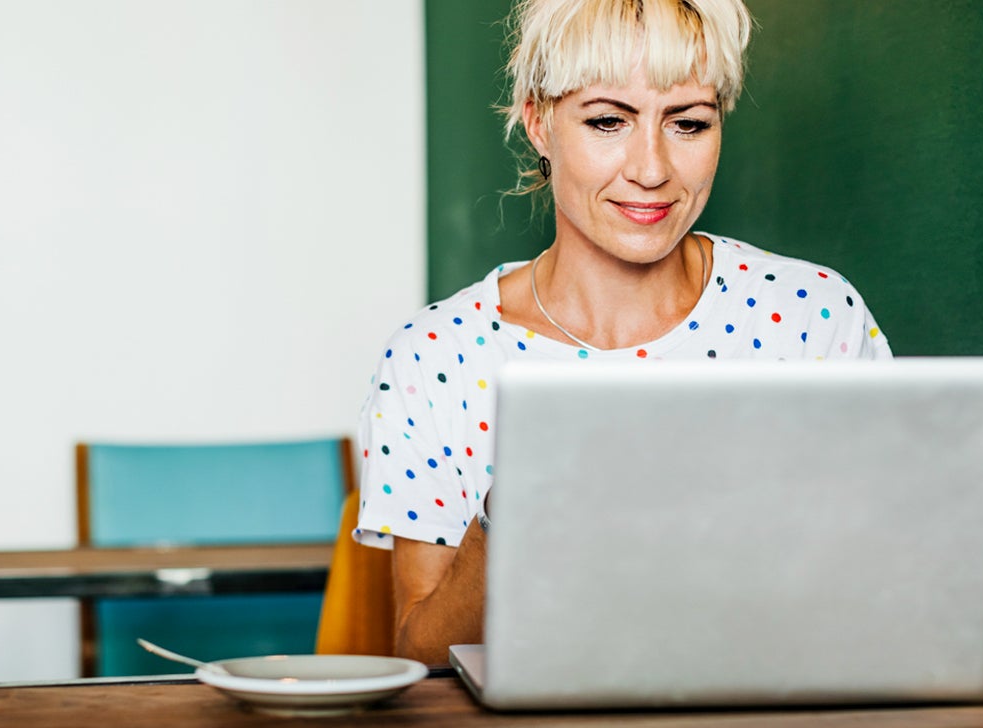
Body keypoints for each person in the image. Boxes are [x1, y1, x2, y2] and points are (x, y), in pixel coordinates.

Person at [353, 0, 893, 664]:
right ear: (539, 123)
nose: (651, 168)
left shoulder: (814, 316)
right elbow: (421, 651)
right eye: (608, 121)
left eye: (689, 123)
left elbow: (887, 589)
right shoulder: (433, 356)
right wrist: (510, 510)